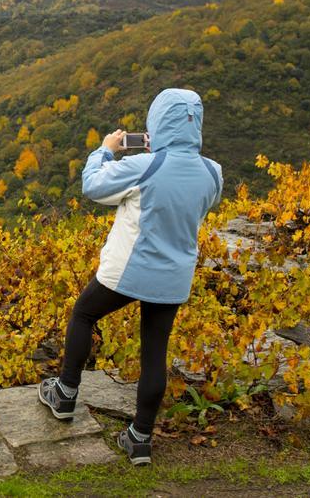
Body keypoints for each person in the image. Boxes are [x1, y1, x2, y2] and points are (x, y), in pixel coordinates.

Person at [37, 88, 222, 466]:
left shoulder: (146, 166)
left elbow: (93, 186)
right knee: (155, 352)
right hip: (173, 277)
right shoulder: (212, 173)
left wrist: (106, 150)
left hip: (128, 270)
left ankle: (65, 394)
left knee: (84, 315)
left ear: (157, 121)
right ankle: (139, 439)